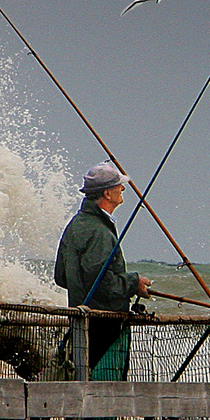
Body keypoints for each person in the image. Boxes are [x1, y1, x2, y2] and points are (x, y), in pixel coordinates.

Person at [53, 162, 151, 379]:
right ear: (107, 193)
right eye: (118, 186)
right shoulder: (100, 232)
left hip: (80, 322)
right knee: (106, 390)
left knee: (81, 382)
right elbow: (102, 282)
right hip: (105, 326)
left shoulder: (75, 225)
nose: (122, 189)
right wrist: (133, 283)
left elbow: (61, 277)